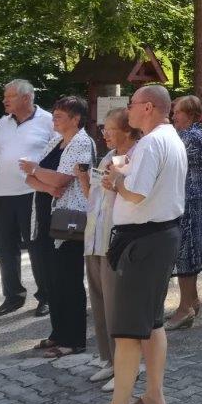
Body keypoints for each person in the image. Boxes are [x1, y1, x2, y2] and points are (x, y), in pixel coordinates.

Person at [71, 84, 185, 404]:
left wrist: (115, 182)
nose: (129, 109)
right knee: (152, 323)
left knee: (126, 332)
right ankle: (153, 397)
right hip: (161, 237)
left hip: (143, 242)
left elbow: (136, 192)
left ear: (148, 107)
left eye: (133, 104)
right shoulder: (171, 138)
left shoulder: (150, 143)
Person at [21, 96, 95, 358]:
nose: (54, 118)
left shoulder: (81, 142)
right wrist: (45, 182)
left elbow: (61, 180)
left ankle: (73, 339)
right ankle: (58, 333)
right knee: (52, 279)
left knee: (69, 279)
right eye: (54, 114)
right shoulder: (56, 141)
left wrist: (36, 171)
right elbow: (31, 180)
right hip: (46, 217)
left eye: (60, 115)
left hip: (69, 221)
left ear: (76, 119)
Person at [77, 108, 140, 386]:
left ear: (127, 130)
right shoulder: (107, 156)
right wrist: (83, 180)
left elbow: (136, 197)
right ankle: (109, 360)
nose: (104, 134)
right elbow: (94, 197)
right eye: (103, 129)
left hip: (115, 241)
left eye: (110, 129)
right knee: (100, 304)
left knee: (118, 307)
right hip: (94, 239)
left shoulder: (137, 156)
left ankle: (127, 367)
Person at [0, 79, 56, 317]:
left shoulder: (48, 120)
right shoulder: (1, 123)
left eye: (10, 96)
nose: (4, 100)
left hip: (32, 192)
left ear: (26, 98)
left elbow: (57, 154)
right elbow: (0, 154)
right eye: (5, 96)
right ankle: (13, 296)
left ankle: (46, 296)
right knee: (5, 247)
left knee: (37, 245)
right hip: (2, 193)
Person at [166, 95, 202, 330]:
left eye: (178, 112)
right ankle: (192, 301)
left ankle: (185, 309)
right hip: (192, 199)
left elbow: (167, 160)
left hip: (188, 202)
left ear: (191, 114)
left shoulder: (190, 137)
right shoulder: (194, 133)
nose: (173, 116)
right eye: (173, 111)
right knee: (189, 252)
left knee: (186, 253)